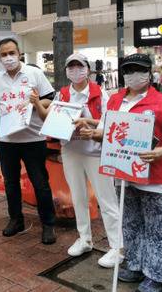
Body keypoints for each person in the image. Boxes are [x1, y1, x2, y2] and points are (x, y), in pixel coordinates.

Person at [81, 54, 162, 291]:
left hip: (154, 177)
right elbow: (105, 129)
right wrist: (92, 132)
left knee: (156, 228)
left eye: (139, 70)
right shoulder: (116, 100)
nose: (133, 74)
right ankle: (136, 264)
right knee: (130, 223)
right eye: (128, 70)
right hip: (124, 173)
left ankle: (159, 275)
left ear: (149, 73)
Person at [33, 53, 121, 268]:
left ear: (88, 70)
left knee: (106, 199)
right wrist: (37, 103)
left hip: (95, 152)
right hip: (71, 151)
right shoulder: (62, 94)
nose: (75, 71)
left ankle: (117, 247)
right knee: (78, 197)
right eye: (71, 67)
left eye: (79, 67)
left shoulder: (101, 93)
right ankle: (85, 238)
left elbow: (111, 122)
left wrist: (90, 126)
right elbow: (51, 119)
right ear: (66, 71)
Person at [0, 37, 57, 244]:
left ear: (19, 53)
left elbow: (51, 97)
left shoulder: (34, 73)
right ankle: (16, 220)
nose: (8, 57)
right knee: (11, 184)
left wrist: (35, 102)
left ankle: (48, 224)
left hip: (33, 139)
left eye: (12, 53)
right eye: (4, 54)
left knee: (40, 183)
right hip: (7, 141)